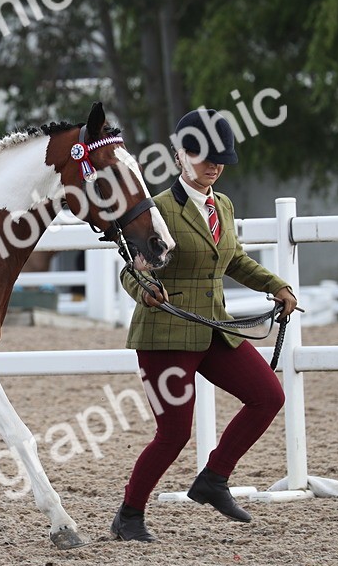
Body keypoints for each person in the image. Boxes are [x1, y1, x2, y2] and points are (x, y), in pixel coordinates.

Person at [110, 108, 298, 542]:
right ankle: (130, 514)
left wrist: (277, 286)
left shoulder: (223, 206)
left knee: (267, 395)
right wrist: (145, 289)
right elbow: (130, 270)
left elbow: (234, 259)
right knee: (174, 433)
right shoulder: (157, 209)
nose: (214, 167)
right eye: (205, 157)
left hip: (213, 328)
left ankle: (214, 478)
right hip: (167, 333)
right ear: (180, 156)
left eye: (221, 160)